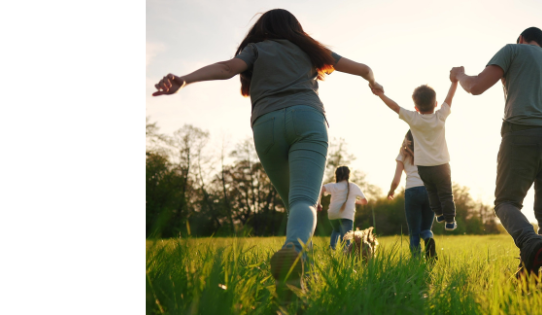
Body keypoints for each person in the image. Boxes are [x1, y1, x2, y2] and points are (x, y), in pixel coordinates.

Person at [151, 9, 382, 299]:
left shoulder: (255, 49)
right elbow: (362, 68)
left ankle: (297, 284)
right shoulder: (310, 49)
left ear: (262, 29)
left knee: (295, 207)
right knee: (304, 204)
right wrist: (373, 81)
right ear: (295, 28)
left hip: (266, 126)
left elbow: (225, 68)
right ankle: (294, 251)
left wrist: (183, 80)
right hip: (307, 121)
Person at [450, 27, 542, 279]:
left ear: (521, 39)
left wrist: (460, 75)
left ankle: (530, 242)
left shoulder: (512, 50)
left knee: (505, 202)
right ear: (541, 45)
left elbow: (475, 87)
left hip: (522, 132)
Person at [371, 79, 459, 231]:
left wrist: (380, 94)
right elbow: (449, 98)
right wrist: (454, 82)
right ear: (436, 103)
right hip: (442, 165)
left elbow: (394, 107)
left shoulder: (413, 118)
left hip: (424, 167)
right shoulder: (440, 116)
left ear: (416, 108)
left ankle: (439, 213)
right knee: (445, 193)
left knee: (431, 191)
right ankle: (450, 220)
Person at [387, 131, 437, 259]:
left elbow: (396, 180)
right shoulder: (430, 151)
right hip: (430, 190)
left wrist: (391, 191)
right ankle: (428, 239)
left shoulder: (402, 155)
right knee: (426, 229)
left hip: (412, 191)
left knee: (414, 232)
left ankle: (416, 262)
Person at [317, 166, 368, 250]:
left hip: (333, 215)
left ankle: (331, 248)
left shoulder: (333, 186)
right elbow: (364, 201)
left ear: (336, 175)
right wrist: (355, 201)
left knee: (336, 230)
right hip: (347, 215)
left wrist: (319, 203)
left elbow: (319, 189)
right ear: (348, 175)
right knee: (345, 238)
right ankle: (345, 254)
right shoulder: (354, 187)